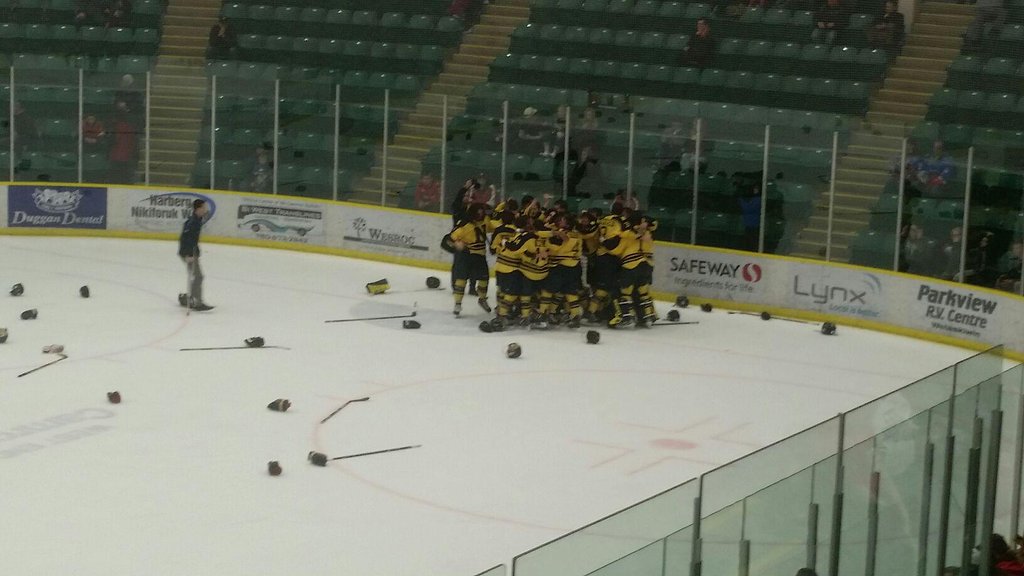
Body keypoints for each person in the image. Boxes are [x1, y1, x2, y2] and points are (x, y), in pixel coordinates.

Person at [448, 203, 491, 316]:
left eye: (482, 212)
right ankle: (458, 303)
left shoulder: (485, 222)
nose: (481, 215)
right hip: (467, 256)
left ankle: (482, 299)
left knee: (484, 279)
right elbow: (449, 239)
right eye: (478, 213)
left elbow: (494, 226)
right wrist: (457, 244)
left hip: (480, 257)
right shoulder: (464, 226)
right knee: (461, 280)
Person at [178, 199, 214, 312]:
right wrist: (188, 255)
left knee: (196, 276)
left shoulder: (197, 220)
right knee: (198, 276)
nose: (206, 209)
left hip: (192, 252)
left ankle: (187, 298)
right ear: (198, 209)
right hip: (188, 253)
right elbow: (185, 238)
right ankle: (196, 301)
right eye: (204, 207)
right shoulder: (193, 222)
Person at [107, 104, 138, 184]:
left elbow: (114, 140)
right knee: (124, 177)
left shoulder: (117, 127)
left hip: (116, 156)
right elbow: (133, 141)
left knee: (116, 177)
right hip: (126, 156)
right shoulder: (130, 127)